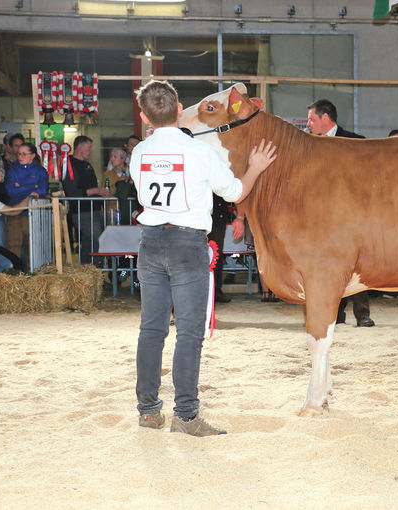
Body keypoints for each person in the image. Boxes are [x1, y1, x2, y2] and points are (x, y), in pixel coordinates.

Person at [130, 79, 277, 436]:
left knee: (151, 330)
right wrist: (255, 165)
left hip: (150, 241)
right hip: (187, 242)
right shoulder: (198, 151)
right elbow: (235, 191)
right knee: (189, 333)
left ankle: (149, 411)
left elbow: (143, 191)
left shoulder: (139, 153)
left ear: (143, 116)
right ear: (180, 110)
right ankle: (186, 416)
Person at [306, 98, 375, 327]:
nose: (308, 124)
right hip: (324, 217)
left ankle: (362, 314)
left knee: (357, 265)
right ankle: (336, 313)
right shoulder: (309, 146)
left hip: (353, 215)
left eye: (311, 119)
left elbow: (367, 177)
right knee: (332, 266)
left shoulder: (356, 142)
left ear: (325, 118)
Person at [62, 135, 111, 265]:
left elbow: (91, 186)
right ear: (79, 147)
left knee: (90, 241)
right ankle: (96, 269)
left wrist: (99, 203)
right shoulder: (69, 164)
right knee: (97, 239)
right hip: (82, 211)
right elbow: (72, 192)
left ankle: (89, 272)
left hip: (94, 208)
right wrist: (97, 191)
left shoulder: (87, 165)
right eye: (89, 148)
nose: (91, 151)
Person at [5, 143, 49, 270]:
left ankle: (32, 275)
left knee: (32, 248)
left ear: (33, 156)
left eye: (24, 154)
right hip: (15, 213)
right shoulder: (13, 170)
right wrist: (31, 188)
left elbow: (43, 190)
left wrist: (20, 187)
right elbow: (10, 191)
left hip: (33, 215)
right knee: (13, 247)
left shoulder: (40, 171)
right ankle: (15, 277)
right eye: (19, 153)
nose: (20, 156)